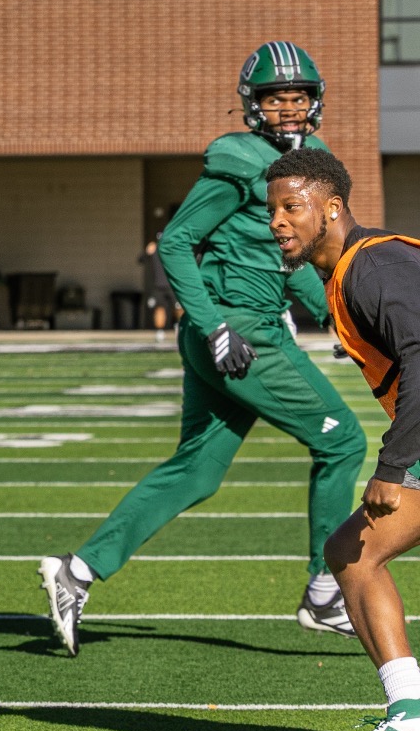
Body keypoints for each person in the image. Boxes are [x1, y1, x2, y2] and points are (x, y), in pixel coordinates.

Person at [39, 42, 365, 655]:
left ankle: (76, 572)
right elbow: (177, 241)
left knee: (197, 471)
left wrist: (341, 318)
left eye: (298, 97)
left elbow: (287, 263)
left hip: (237, 326)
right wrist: (216, 326)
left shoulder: (309, 164)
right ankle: (325, 592)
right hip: (240, 330)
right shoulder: (239, 161)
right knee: (343, 440)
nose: (289, 109)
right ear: (254, 106)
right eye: (276, 98)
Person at [265, 146, 420, 731]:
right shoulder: (356, 268)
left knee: (354, 551)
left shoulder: (371, 266)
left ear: (332, 208)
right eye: (271, 209)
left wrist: (391, 468)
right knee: (350, 551)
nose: (277, 221)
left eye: (291, 207)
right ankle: (407, 713)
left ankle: (409, 715)